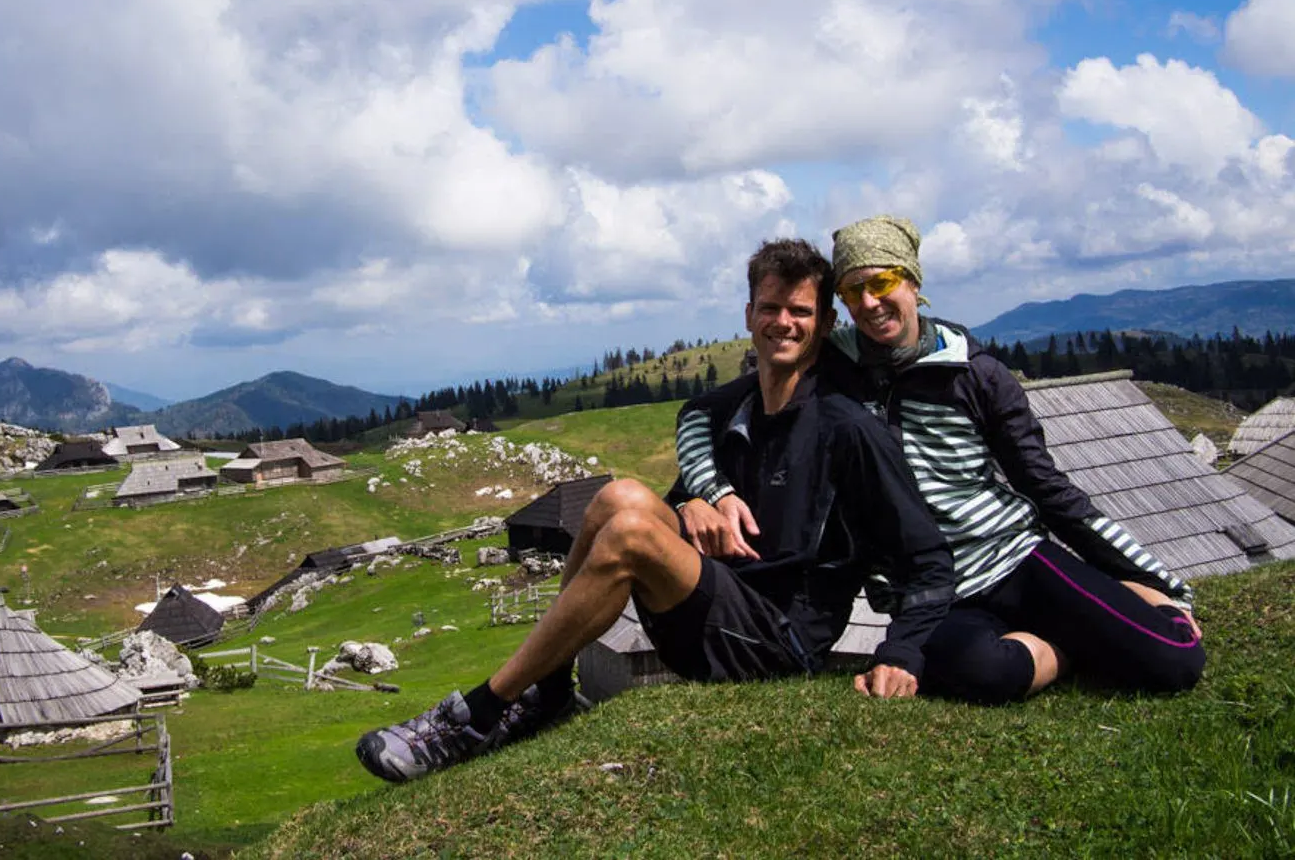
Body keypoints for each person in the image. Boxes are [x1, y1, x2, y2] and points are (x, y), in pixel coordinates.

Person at [355, 238, 955, 784]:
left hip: (780, 641)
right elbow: (668, 492)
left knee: (633, 529)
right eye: (770, 307)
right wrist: (693, 501)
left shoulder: (847, 427)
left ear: (824, 323)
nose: (783, 322)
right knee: (617, 497)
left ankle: (480, 713)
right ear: (749, 315)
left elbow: (926, 557)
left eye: (800, 311)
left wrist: (900, 653)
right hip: (715, 608)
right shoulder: (734, 410)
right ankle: (548, 688)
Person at [676, 215, 1206, 705]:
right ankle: (1068, 647)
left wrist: (1161, 581)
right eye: (853, 290)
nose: (869, 303)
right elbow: (703, 414)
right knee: (976, 673)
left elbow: (1048, 489)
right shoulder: (831, 360)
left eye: (882, 283)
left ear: (912, 282)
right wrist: (710, 490)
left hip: (1011, 559)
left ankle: (1133, 599)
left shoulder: (976, 375)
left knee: (1173, 662)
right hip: (929, 592)